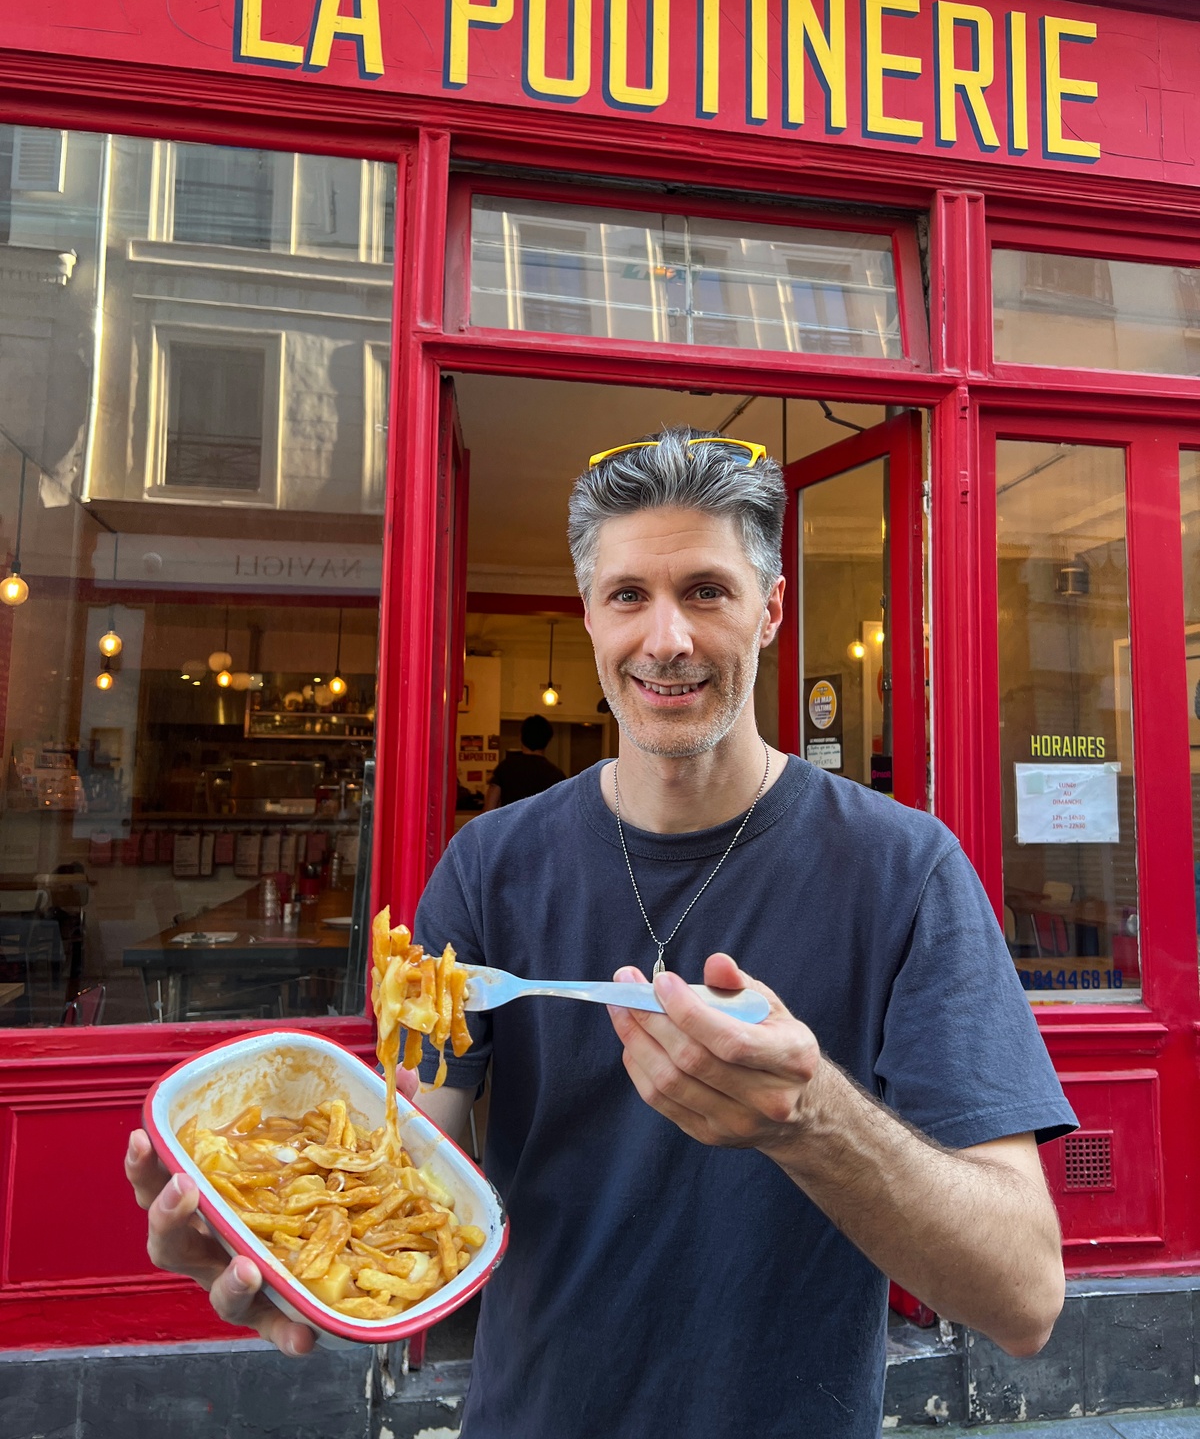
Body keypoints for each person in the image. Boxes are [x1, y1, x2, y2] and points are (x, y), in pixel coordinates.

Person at [127, 427, 1076, 1439]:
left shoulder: (905, 873)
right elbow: (414, 1169)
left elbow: (1024, 1296)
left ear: (771, 610)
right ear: (588, 614)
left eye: (707, 590)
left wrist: (813, 1122)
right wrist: (281, 1225)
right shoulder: (487, 868)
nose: (665, 637)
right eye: (629, 595)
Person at [483, 713, 566, 810]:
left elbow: (488, 810)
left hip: (511, 824)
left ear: (521, 737)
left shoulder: (505, 768)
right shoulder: (557, 775)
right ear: (548, 740)